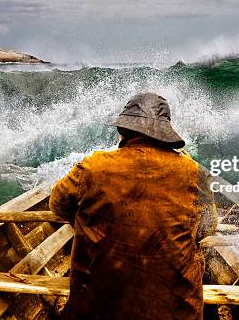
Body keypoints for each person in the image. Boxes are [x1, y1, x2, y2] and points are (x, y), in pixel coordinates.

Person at [50, 92, 218, 320]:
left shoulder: (92, 167)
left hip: (95, 310)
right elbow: (208, 227)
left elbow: (58, 205)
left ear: (123, 131)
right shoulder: (194, 172)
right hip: (177, 313)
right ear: (164, 134)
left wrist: (93, 222)